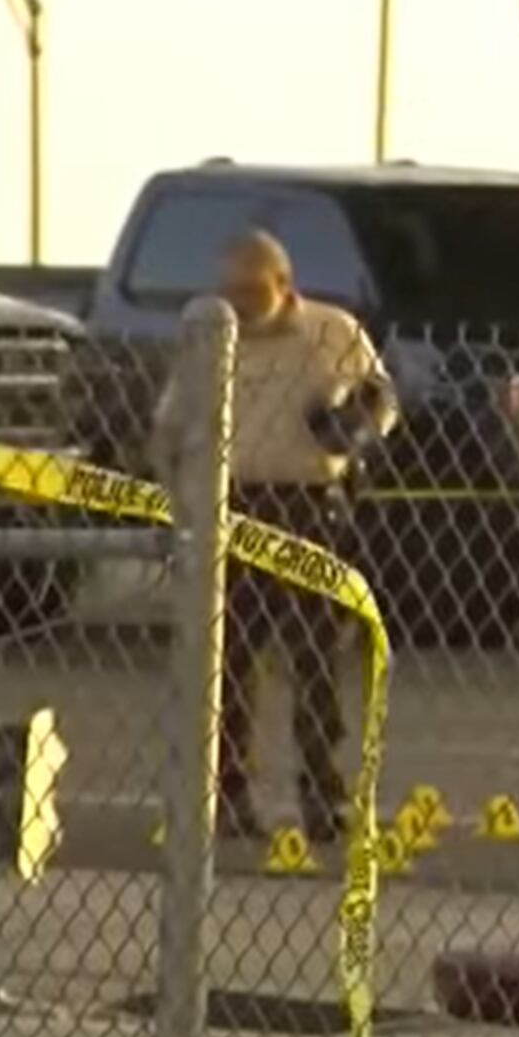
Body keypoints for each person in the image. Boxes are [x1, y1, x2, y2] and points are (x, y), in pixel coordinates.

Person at [150, 230, 400, 844]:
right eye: (228, 290)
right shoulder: (210, 340)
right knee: (227, 660)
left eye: (248, 289)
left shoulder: (329, 331)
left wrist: (357, 423)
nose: (236, 302)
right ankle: (228, 793)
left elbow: (382, 398)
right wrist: (175, 500)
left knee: (313, 658)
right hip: (231, 507)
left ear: (283, 285)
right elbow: (171, 424)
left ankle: (321, 793)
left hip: (307, 504)